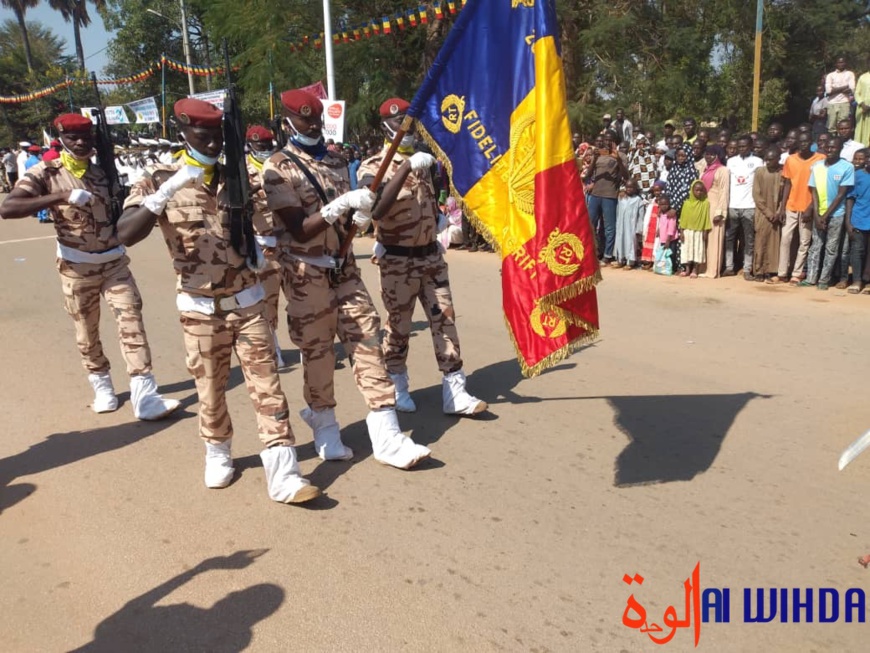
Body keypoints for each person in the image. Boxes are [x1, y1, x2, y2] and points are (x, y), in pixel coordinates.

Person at [117, 98, 319, 504]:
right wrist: (163, 195)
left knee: (268, 386)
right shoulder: (157, 178)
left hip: (248, 304)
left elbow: (281, 227)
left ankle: (283, 473)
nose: (211, 145)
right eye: (201, 136)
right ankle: (218, 449)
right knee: (210, 389)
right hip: (200, 309)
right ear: (183, 134)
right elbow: (125, 233)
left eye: (216, 138)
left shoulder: (241, 178)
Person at [261, 89, 431, 470]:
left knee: (369, 340)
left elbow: (354, 209)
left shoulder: (338, 161)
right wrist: (338, 206)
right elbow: (299, 229)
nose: (313, 125)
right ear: (289, 121)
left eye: (317, 119)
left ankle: (388, 435)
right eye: (305, 120)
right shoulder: (276, 168)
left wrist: (358, 217)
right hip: (306, 273)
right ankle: (324, 424)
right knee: (318, 352)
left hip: (344, 269)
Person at [0, 113, 179, 421]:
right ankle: (102, 384)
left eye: (86, 137)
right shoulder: (46, 173)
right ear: (62, 140)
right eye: (73, 138)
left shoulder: (103, 172)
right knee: (87, 331)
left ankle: (145, 395)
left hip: (114, 263)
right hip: (76, 267)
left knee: (132, 323)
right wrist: (61, 196)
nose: (81, 143)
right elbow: (8, 208)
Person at [358, 97, 487, 416]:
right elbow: (376, 210)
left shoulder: (426, 161)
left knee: (445, 319)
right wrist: (402, 169)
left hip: (431, 257)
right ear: (386, 126)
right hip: (397, 261)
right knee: (399, 326)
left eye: (411, 123)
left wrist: (441, 220)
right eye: (401, 122)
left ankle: (455, 389)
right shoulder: (373, 166)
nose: (408, 129)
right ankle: (398, 384)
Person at [244, 124, 285, 368]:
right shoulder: (240, 172)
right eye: (260, 146)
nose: (264, 150)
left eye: (268, 146)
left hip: (289, 245)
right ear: (251, 146)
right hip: (263, 247)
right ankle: (273, 347)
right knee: (268, 302)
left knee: (303, 299)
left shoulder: (280, 166)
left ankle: (310, 347)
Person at [801, 137, 855, 290]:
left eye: (834, 147)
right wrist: (818, 215)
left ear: (840, 149)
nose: (830, 150)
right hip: (819, 214)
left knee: (831, 249)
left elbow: (841, 195)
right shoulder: (817, 166)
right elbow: (814, 192)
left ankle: (824, 280)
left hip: (837, 214)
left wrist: (825, 216)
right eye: (828, 147)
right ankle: (811, 278)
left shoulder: (847, 167)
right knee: (815, 246)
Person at [777, 132, 825, 284]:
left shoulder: (820, 159)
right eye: (801, 141)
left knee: (804, 241)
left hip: (808, 207)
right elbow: (787, 183)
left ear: (811, 142)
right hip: (791, 205)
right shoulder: (791, 160)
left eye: (806, 141)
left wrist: (811, 207)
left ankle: (796, 273)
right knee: (786, 238)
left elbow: (820, 186)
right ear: (797, 143)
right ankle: (782, 273)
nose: (803, 144)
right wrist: (781, 207)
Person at [585, 129, 628, 263]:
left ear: (615, 141)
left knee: (609, 226)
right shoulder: (598, 154)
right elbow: (588, 175)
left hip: (610, 195)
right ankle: (593, 252)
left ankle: (608, 255)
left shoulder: (621, 155)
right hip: (595, 194)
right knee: (590, 224)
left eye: (611, 140)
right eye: (606, 139)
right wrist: (595, 159)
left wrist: (618, 160)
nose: (608, 142)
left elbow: (626, 176)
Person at [724, 136, 763, 279]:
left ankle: (747, 269)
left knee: (748, 239)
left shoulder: (758, 161)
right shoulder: (731, 161)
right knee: (729, 238)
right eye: (739, 146)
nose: (741, 149)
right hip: (732, 205)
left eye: (744, 146)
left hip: (749, 206)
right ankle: (729, 267)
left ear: (751, 146)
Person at [752, 148, 783, 282]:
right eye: (767, 159)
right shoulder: (760, 171)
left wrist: (779, 211)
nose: (768, 162)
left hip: (778, 213)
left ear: (778, 159)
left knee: (774, 243)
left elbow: (785, 194)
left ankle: (771, 270)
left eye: (771, 159)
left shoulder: (783, 172)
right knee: (761, 242)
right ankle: (759, 270)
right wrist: (768, 212)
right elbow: (756, 194)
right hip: (763, 213)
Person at [699, 145, 729, 278]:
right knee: (703, 238)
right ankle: (702, 268)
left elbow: (724, 192)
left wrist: (720, 212)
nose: (708, 157)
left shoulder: (723, 170)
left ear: (718, 156)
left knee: (714, 237)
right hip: (704, 205)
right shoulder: (704, 169)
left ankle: (712, 270)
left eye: (712, 154)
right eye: (707, 154)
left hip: (716, 205)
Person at [845, 148, 870, 293]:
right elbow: (850, 198)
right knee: (857, 251)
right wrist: (848, 221)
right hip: (859, 218)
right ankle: (857, 280)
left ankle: (868, 281)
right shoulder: (858, 176)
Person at [678, 180, 712, 278]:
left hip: (698, 231)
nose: (699, 192)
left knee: (697, 250)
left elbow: (706, 218)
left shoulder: (705, 204)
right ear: (692, 190)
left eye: (701, 190)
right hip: (687, 231)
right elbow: (683, 218)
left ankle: (695, 270)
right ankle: (687, 269)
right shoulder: (686, 203)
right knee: (687, 250)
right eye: (696, 190)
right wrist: (681, 232)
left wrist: (705, 231)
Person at [613, 178, 645, 268]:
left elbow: (640, 216)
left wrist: (639, 229)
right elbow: (618, 212)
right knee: (620, 240)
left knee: (630, 242)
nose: (629, 189)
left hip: (631, 227)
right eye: (627, 187)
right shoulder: (622, 198)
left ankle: (630, 262)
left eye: (631, 187)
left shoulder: (638, 200)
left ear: (635, 188)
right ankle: (620, 260)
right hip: (621, 225)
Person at [825, 57, 855, 133]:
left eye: (842, 62)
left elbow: (852, 89)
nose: (841, 64)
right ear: (836, 64)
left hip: (844, 102)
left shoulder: (850, 74)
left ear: (845, 63)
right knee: (831, 126)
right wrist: (845, 86)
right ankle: (832, 143)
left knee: (843, 126)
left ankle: (841, 143)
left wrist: (835, 89)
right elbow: (828, 91)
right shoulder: (830, 75)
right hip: (832, 103)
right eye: (839, 62)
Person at [640, 180, 666, 268]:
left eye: (659, 190)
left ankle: (655, 262)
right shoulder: (652, 201)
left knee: (657, 244)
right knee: (649, 242)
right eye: (655, 191)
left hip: (658, 226)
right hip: (651, 225)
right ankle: (648, 261)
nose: (657, 193)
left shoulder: (664, 202)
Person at [856, 65, 870, 147]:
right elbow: (857, 93)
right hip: (863, 108)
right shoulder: (862, 77)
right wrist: (862, 104)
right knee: (861, 130)